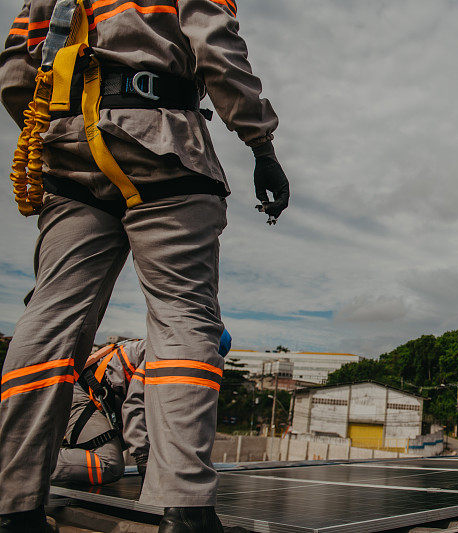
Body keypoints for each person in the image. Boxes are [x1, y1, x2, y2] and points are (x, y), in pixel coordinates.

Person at [0, 0, 289, 531]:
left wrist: (61, 125)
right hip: (165, 146)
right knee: (183, 314)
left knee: (48, 319)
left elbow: (17, 69)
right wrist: (261, 144)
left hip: (67, 155)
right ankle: (182, 506)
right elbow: (216, 51)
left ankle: (12, 503)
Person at [52, 330, 232, 487]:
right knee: (108, 465)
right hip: (82, 398)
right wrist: (143, 458)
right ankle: (30, 464)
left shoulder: (177, 355)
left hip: (102, 404)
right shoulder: (165, 356)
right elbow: (135, 405)